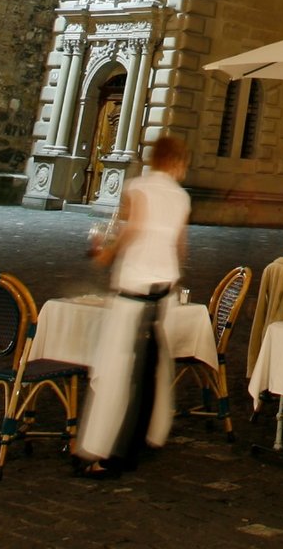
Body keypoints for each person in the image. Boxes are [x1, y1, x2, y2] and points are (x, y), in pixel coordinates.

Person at [76, 135, 191, 477]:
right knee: (151, 369)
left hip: (134, 288)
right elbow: (180, 245)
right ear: (175, 162)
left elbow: (132, 228)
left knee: (119, 370)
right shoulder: (181, 197)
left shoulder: (139, 187)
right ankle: (145, 435)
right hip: (163, 290)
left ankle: (109, 448)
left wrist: (107, 254)